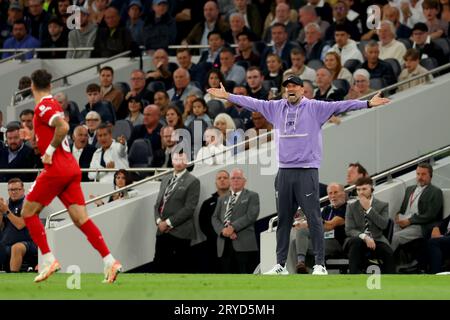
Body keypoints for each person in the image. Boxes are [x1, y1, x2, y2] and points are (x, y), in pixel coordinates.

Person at [207, 75, 390, 275]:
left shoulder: (314, 107)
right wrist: (228, 96)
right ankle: (280, 265)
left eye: (294, 86)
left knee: (314, 218)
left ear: (302, 89)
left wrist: (368, 103)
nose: (290, 89)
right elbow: (253, 103)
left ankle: (320, 265)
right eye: (287, 87)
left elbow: (342, 105)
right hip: (284, 172)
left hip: (306, 171)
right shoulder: (276, 107)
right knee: (284, 220)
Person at [20, 69, 121, 283]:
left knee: (27, 212)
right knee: (80, 219)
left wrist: (48, 152)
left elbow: (63, 126)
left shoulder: (44, 105)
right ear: (51, 86)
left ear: (32, 87)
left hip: (56, 169)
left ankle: (48, 259)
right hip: (70, 168)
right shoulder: (55, 104)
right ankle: (109, 260)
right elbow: (57, 126)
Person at [153, 152, 200, 273]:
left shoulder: (193, 181)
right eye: (176, 159)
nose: (179, 162)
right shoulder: (165, 179)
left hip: (181, 232)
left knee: (179, 268)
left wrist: (168, 223)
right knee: (158, 265)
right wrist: (159, 222)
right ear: (172, 161)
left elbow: (189, 208)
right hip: (162, 231)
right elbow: (157, 205)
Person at [212, 168, 260, 274]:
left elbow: (251, 216)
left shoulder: (252, 196)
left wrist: (232, 227)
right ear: (230, 181)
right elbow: (214, 218)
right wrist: (223, 231)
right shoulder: (221, 199)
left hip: (244, 245)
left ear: (244, 181)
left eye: (239, 178)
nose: (235, 180)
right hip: (224, 245)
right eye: (233, 178)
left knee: (245, 278)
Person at [291, 182, 347, 273]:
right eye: (330, 193)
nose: (333, 196)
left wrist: (309, 222)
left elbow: (330, 225)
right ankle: (302, 265)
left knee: (303, 239)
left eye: (336, 192)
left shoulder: (346, 208)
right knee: (297, 241)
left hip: (336, 242)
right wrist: (303, 223)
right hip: (323, 240)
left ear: (343, 193)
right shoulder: (327, 209)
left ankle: (314, 269)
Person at [344, 177, 395, 274]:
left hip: (377, 239)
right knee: (356, 243)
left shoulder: (382, 205)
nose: (361, 192)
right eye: (358, 189)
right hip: (358, 239)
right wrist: (365, 237)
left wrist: (369, 209)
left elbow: (383, 225)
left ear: (371, 188)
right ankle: (354, 276)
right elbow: (349, 229)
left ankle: (390, 281)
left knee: (387, 252)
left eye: (364, 189)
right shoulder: (351, 206)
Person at [0, 178, 37, 272]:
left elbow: (20, 225)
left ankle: (13, 277)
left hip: (27, 242)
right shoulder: (6, 204)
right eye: (11, 190)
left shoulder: (29, 204)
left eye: (17, 189)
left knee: (17, 247)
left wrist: (6, 211)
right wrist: (0, 212)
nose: (14, 192)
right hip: (6, 242)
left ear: (23, 190)